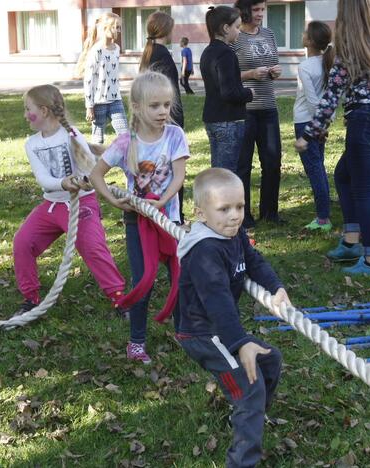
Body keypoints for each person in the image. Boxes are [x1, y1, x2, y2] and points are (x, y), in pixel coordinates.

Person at [175, 167, 290, 468]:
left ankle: (248, 415)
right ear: (201, 214)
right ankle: (242, 461)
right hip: (202, 333)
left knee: (270, 360)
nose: (235, 216)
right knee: (251, 386)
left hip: (221, 328)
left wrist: (276, 287)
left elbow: (254, 261)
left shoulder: (234, 234)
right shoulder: (205, 252)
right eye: (224, 209)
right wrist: (240, 342)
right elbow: (217, 301)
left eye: (239, 207)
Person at [296, 0, 370, 276]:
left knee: (364, 190)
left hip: (366, 121)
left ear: (345, 16)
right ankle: (351, 241)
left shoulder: (350, 48)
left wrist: (309, 134)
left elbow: (331, 95)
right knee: (344, 175)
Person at [89, 71, 189, 364]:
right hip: (138, 223)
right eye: (154, 106)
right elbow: (96, 175)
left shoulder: (174, 135)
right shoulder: (125, 142)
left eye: (167, 105)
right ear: (137, 107)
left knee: (180, 278)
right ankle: (136, 342)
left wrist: (163, 202)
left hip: (169, 221)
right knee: (143, 279)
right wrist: (117, 203)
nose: (162, 112)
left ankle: (184, 332)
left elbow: (179, 177)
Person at [13, 85, 125, 315]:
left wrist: (82, 180)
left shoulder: (71, 135)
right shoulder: (32, 144)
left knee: (93, 247)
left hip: (81, 203)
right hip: (52, 205)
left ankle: (119, 298)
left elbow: (90, 168)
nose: (25, 115)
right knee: (22, 242)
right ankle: (30, 298)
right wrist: (64, 183)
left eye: (28, 109)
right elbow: (43, 179)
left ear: (43, 111)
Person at [232, 0, 284, 227]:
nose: (260, 14)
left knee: (272, 161)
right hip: (246, 110)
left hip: (268, 107)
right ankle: (245, 216)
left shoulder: (269, 34)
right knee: (244, 165)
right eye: (255, 10)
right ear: (244, 11)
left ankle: (270, 212)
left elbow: (275, 63)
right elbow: (228, 74)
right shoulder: (235, 37)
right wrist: (251, 73)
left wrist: (276, 71)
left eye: (262, 9)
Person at [201, 6, 254, 172]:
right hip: (227, 121)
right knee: (226, 175)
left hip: (212, 119)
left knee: (218, 171)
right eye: (237, 27)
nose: (239, 32)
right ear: (225, 28)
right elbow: (229, 92)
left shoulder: (207, 52)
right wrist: (249, 93)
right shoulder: (226, 53)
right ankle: (224, 199)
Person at [293, 21, 334, 232]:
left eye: (305, 32)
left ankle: (323, 218)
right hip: (320, 123)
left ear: (310, 40)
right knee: (319, 166)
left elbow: (312, 101)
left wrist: (317, 126)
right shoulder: (327, 62)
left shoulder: (306, 67)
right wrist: (325, 123)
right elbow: (330, 98)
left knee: (315, 169)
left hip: (305, 123)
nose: (302, 33)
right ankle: (324, 212)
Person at [75, 12, 129, 144]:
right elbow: (88, 80)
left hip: (115, 99)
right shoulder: (96, 50)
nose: (118, 30)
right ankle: (95, 163)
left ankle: (129, 162)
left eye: (119, 27)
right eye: (115, 27)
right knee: (98, 139)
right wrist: (89, 106)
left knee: (125, 136)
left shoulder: (117, 48)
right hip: (99, 102)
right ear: (105, 28)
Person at [139, 11, 184, 129]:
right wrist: (176, 121)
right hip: (165, 118)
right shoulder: (162, 54)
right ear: (166, 30)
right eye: (171, 29)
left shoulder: (151, 51)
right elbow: (169, 90)